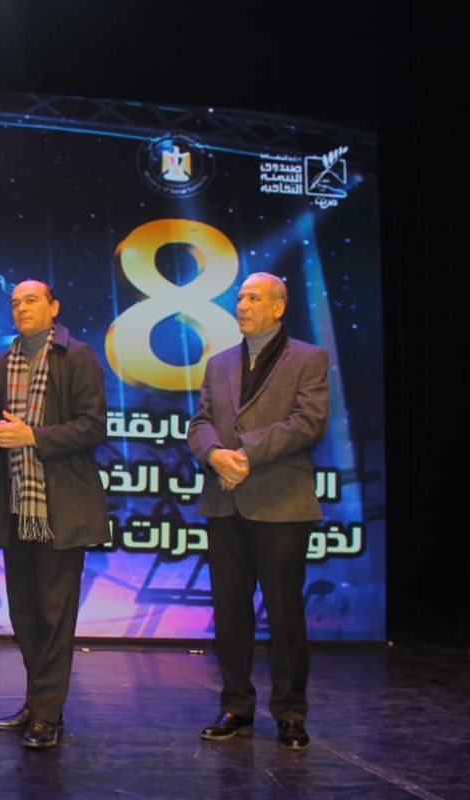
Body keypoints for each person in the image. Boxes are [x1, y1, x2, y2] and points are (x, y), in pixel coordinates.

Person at [187, 271, 329, 750]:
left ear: (278, 306)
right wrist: (214, 455)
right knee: (230, 611)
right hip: (224, 501)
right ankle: (236, 706)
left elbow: (309, 422)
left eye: (253, 298)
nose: (243, 306)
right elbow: (200, 423)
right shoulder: (219, 363)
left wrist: (245, 454)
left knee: (284, 614)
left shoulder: (308, 358)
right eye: (240, 298)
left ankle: (290, 712)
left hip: (281, 504)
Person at [0, 279, 110, 749]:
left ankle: (48, 715)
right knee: (26, 615)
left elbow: (93, 426)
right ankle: (38, 703)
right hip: (16, 506)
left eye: (31, 301)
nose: (21, 309)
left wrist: (33, 436)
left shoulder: (78, 357)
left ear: (54, 307)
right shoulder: (4, 362)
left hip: (61, 509)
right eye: (15, 303)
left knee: (55, 617)